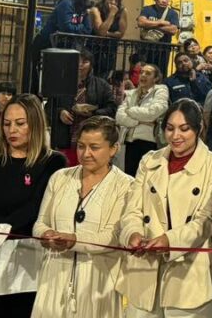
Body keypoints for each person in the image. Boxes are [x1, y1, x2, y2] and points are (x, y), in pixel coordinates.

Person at [0, 94, 67, 317]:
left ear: (35, 124)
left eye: (20, 123)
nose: (11, 130)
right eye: (6, 124)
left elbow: (37, 208)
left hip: (29, 264)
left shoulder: (53, 162)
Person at [119, 99, 212, 318]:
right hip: (144, 268)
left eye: (184, 129)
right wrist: (133, 234)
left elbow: (205, 221)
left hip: (191, 274)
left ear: (198, 129)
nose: (176, 136)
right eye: (170, 128)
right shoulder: (149, 160)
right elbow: (132, 210)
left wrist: (170, 241)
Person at [33, 116, 135, 317]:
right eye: (81, 146)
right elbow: (40, 223)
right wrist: (47, 234)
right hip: (54, 276)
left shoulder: (127, 185)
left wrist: (74, 240)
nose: (86, 153)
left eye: (94, 147)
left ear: (114, 149)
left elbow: (113, 237)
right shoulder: (60, 178)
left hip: (98, 282)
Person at [52, 47, 117, 166]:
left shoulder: (101, 85)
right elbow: (49, 106)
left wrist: (93, 114)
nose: (80, 65)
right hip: (65, 139)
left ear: (91, 65)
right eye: (77, 61)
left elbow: (112, 108)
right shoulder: (61, 82)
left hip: (92, 139)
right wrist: (60, 112)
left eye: (85, 62)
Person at [30, 0, 95, 91]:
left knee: (62, 80)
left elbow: (88, 29)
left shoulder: (83, 9)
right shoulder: (66, 3)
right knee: (42, 78)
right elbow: (65, 27)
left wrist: (79, 28)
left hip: (65, 46)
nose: (91, 1)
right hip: (46, 44)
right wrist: (81, 28)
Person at [117, 64, 170, 177]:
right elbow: (119, 117)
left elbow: (152, 113)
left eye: (148, 73)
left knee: (145, 178)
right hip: (130, 142)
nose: (143, 75)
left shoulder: (160, 90)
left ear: (156, 78)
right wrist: (139, 121)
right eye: (142, 72)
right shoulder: (132, 94)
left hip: (149, 142)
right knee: (129, 178)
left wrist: (130, 110)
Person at [137, 0, 181, 73]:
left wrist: (151, 25)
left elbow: (173, 30)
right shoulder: (147, 9)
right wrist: (161, 22)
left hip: (163, 50)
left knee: (160, 73)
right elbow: (141, 22)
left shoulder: (172, 13)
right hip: (146, 49)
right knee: (145, 72)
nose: (164, 1)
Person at [88, 0, 128, 76]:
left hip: (110, 50)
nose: (113, 2)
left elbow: (120, 33)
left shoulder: (122, 11)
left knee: (105, 76)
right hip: (94, 48)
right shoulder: (96, 10)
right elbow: (101, 32)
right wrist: (111, 14)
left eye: (116, 1)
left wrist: (107, 34)